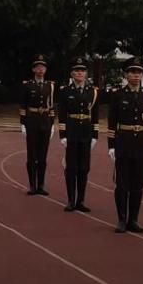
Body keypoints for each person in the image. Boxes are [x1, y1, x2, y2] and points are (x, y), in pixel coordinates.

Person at [107, 57, 143, 233]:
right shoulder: (117, 95)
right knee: (122, 183)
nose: (136, 75)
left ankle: (133, 219)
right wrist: (111, 145)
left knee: (139, 182)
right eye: (132, 72)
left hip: (141, 142)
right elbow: (112, 121)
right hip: (123, 142)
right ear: (126, 75)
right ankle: (121, 219)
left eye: (139, 73)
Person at [56, 56, 100, 212]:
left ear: (86, 73)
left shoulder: (93, 91)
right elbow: (62, 114)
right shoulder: (65, 91)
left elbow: (95, 115)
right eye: (77, 70)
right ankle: (71, 200)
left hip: (86, 132)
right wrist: (63, 135)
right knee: (71, 168)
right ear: (72, 73)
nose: (80, 73)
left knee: (84, 168)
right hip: (72, 131)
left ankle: (81, 200)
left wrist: (95, 135)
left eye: (82, 70)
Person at [19, 54, 55, 195]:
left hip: (45, 121)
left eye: (43, 67)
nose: (41, 70)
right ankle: (32, 185)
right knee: (32, 155)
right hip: (32, 121)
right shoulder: (27, 85)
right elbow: (23, 105)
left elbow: (51, 106)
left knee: (42, 156)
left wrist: (52, 123)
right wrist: (22, 123)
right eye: (38, 67)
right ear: (33, 69)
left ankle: (41, 185)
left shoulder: (50, 86)